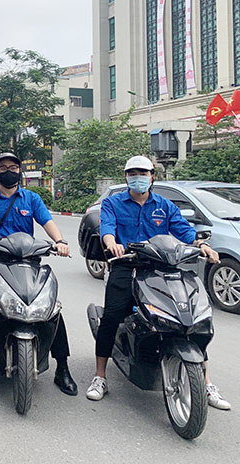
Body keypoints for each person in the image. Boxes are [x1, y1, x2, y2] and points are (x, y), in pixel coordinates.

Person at [86, 155, 230, 409]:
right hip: (126, 266)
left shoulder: (165, 206)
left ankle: (206, 383)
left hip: (160, 268)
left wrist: (202, 246)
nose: (137, 178)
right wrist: (112, 244)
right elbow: (108, 229)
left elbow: (185, 232)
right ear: (126, 177)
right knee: (111, 317)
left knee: (191, 319)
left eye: (142, 173)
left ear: (153, 176)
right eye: (132, 174)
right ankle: (100, 376)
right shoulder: (112, 203)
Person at [0, 152, 77, 396]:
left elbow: (47, 221)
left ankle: (63, 368)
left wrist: (60, 241)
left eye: (13, 167)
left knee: (49, 305)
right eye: (3, 167)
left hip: (28, 258)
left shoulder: (32, 198)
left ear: (19, 171)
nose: (8, 171)